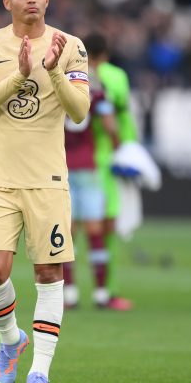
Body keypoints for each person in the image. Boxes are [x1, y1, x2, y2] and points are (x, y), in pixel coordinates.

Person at [0, 0, 90, 383]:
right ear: (8, 2)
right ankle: (10, 339)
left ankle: (40, 372)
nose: (31, 0)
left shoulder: (70, 46)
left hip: (48, 180)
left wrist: (53, 71)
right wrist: (19, 76)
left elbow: (78, 111)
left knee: (48, 272)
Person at [62, 80, 131, 310]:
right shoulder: (96, 89)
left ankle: (70, 294)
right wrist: (118, 146)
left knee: (67, 234)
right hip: (88, 166)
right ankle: (101, 293)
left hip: (61, 166)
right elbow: (110, 124)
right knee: (95, 231)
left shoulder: (55, 83)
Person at [82, 33, 139, 303]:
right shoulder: (116, 77)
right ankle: (107, 291)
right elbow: (119, 116)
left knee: (73, 228)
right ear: (106, 52)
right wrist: (127, 149)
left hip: (76, 160)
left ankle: (69, 293)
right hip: (108, 160)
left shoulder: (74, 74)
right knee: (108, 227)